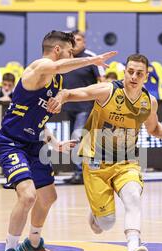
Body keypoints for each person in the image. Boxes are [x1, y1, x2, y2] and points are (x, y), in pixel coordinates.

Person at [47, 54, 162, 251]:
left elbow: (155, 129)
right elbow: (77, 93)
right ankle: (96, 215)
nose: (133, 76)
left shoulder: (148, 102)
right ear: (125, 72)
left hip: (126, 161)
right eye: (130, 71)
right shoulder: (108, 91)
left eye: (139, 73)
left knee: (133, 197)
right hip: (96, 162)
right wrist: (62, 96)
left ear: (146, 77)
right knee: (106, 223)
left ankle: (133, 249)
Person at [0, 30, 116, 251]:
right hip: (11, 143)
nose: (73, 55)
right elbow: (59, 65)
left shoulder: (55, 84)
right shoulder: (39, 68)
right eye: (71, 52)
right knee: (27, 196)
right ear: (58, 50)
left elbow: (38, 120)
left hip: (34, 142)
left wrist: (55, 142)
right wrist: (91, 60)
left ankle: (34, 244)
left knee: (48, 197)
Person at [62, 30, 105, 185]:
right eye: (73, 40)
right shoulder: (66, 58)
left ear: (84, 42)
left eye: (79, 40)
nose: (76, 42)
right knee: (75, 140)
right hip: (69, 107)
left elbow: (103, 81)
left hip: (86, 107)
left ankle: (80, 173)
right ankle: (81, 172)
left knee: (77, 137)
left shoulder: (91, 57)